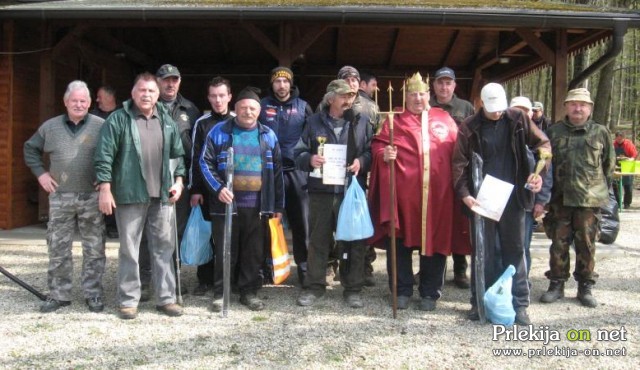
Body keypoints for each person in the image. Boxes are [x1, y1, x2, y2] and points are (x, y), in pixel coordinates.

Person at [452, 82, 550, 325]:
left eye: (500, 108)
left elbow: (544, 146)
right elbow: (459, 164)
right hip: (482, 198)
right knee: (482, 252)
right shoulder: (469, 127)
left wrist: (539, 172)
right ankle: (479, 302)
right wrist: (464, 192)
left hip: (514, 196)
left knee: (515, 251)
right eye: (492, 108)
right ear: (481, 104)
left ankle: (519, 305)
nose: (497, 113)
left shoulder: (517, 118)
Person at [368, 72, 468, 311]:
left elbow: (460, 152)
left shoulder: (444, 119)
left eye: (421, 94)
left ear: (428, 95)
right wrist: (384, 155)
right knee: (400, 242)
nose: (417, 99)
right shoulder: (394, 121)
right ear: (405, 96)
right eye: (412, 94)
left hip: (438, 197)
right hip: (402, 198)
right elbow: (377, 146)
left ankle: (430, 293)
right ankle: (401, 290)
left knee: (435, 242)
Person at [94, 72, 186, 320]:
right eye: (142, 90)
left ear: (158, 95)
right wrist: (104, 188)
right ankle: (128, 300)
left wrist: (178, 182)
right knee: (129, 250)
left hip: (162, 196)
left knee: (164, 249)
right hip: (129, 194)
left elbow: (177, 156)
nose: (146, 95)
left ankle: (166, 298)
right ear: (133, 93)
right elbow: (104, 156)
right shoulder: (118, 120)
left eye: (151, 91)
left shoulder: (166, 120)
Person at [24, 80, 106, 314]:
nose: (79, 105)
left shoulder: (102, 125)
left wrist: (105, 178)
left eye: (83, 101)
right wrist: (40, 174)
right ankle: (59, 295)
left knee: (94, 247)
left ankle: (94, 294)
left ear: (90, 103)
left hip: (92, 196)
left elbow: (115, 153)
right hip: (60, 196)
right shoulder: (50, 127)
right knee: (58, 247)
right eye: (74, 101)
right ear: (65, 102)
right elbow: (30, 149)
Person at [200, 87, 284, 312]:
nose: (248, 112)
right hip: (226, 204)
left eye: (253, 108)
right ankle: (222, 293)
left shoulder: (268, 135)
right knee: (226, 250)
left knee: (253, 251)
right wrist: (218, 188)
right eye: (243, 108)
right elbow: (204, 163)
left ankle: (249, 292)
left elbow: (277, 173)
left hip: (258, 205)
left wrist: (277, 205)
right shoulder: (218, 132)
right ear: (235, 109)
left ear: (259, 111)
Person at [294, 79, 372, 308]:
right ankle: (315, 287)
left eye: (351, 96)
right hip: (321, 191)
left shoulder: (361, 121)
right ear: (330, 99)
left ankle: (352, 288)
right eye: (344, 96)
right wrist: (309, 159)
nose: (349, 101)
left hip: (350, 191)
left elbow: (370, 151)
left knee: (353, 240)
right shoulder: (313, 122)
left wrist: (361, 161)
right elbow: (297, 152)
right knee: (318, 240)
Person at [541, 88, 615, 308]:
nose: (578, 108)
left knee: (587, 244)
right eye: (573, 103)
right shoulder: (553, 132)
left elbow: (608, 165)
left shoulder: (600, 132)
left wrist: (600, 192)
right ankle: (556, 284)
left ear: (590, 108)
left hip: (588, 201)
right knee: (558, 243)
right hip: (560, 200)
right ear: (566, 106)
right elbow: (545, 165)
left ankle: (585, 285)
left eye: (582, 104)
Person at [137, 64, 200, 299]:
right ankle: (144, 280)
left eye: (174, 79)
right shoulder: (142, 107)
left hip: (178, 181)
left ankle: (170, 280)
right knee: (145, 233)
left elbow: (195, 150)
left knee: (175, 233)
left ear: (180, 82)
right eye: (165, 80)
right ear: (157, 82)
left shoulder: (190, 110)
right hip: (147, 180)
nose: (170, 84)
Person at [259, 66, 313, 285]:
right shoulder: (262, 106)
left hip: (297, 173)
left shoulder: (303, 107)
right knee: (267, 221)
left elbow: (312, 138)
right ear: (272, 84)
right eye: (277, 81)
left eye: (285, 81)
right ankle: (267, 269)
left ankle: (305, 270)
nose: (281, 85)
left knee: (302, 223)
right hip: (269, 173)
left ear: (291, 83)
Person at [429, 66, 475, 289]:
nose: (444, 86)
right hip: (433, 172)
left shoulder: (465, 107)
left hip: (458, 172)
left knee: (459, 222)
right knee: (432, 219)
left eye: (448, 82)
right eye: (440, 82)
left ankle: (459, 269)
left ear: (454, 85)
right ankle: (429, 268)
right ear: (434, 85)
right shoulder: (426, 106)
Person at [189, 77, 234, 296]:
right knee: (208, 234)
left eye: (221, 95)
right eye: (213, 96)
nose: (218, 100)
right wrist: (195, 189)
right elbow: (196, 157)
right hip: (208, 190)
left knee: (228, 236)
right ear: (208, 98)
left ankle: (229, 279)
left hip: (233, 191)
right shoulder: (202, 122)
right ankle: (205, 279)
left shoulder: (238, 120)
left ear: (229, 97)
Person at [338, 65, 379, 286]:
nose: (352, 83)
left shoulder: (370, 108)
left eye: (355, 79)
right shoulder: (328, 105)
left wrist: (364, 164)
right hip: (333, 176)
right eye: (347, 79)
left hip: (360, 175)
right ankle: (334, 265)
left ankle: (365, 267)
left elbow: (376, 142)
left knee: (359, 222)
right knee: (334, 223)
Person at [510, 96, 553, 277]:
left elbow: (546, 174)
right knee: (498, 246)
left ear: (531, 113)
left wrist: (541, 202)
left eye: (525, 110)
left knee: (522, 245)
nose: (521, 114)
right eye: (516, 110)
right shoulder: (500, 133)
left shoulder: (539, 142)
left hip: (527, 203)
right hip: (501, 202)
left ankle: (522, 283)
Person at [91, 86, 119, 239]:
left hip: (119, 165)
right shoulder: (92, 116)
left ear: (110, 97)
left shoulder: (124, 114)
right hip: (99, 165)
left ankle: (114, 226)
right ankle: (102, 227)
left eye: (99, 96)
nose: (97, 100)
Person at [613, 131, 637, 209]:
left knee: (628, 186)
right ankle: (618, 203)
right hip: (616, 166)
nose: (619, 140)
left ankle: (627, 203)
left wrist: (630, 159)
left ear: (624, 138)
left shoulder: (628, 144)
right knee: (616, 185)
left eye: (621, 139)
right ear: (616, 138)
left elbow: (634, 155)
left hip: (627, 165)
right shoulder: (613, 144)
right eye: (618, 138)